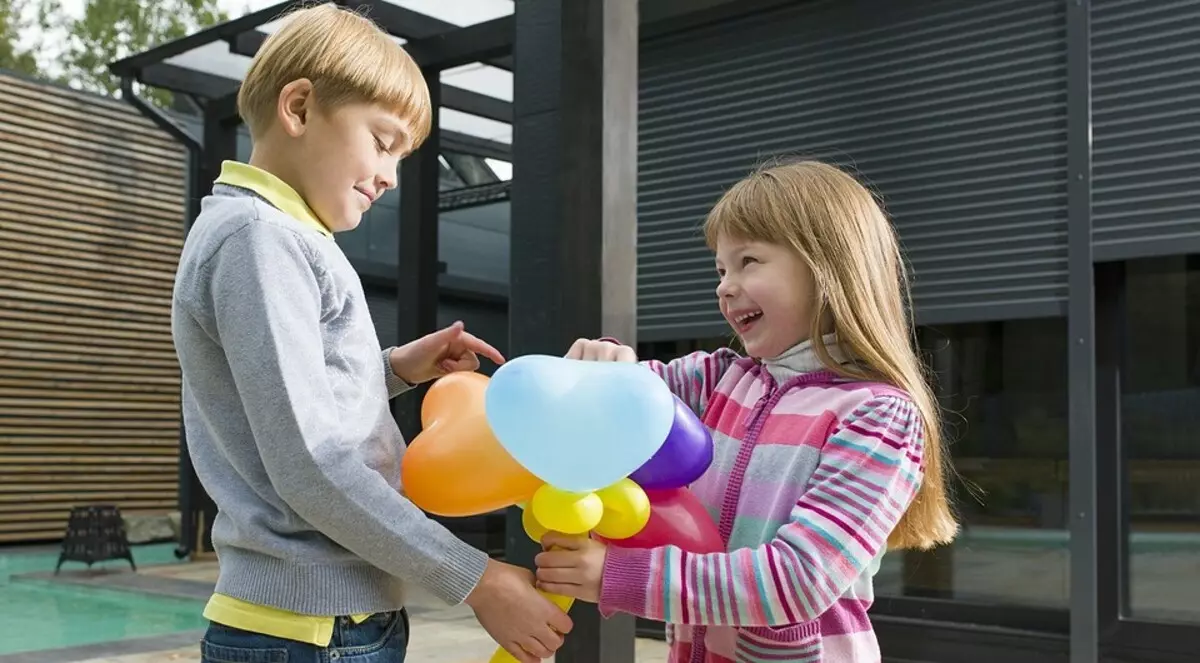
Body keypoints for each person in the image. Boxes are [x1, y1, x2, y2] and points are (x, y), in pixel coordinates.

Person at [170, 6, 571, 663]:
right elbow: (309, 463)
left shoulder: (280, 234)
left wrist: (394, 368)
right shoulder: (260, 238)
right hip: (307, 629)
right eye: (383, 141)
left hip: (331, 619)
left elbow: (278, 396)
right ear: (299, 106)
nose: (390, 174)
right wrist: (477, 575)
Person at [534, 160, 958, 662]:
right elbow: (622, 393)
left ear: (828, 264)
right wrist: (605, 358)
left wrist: (617, 574)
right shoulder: (716, 379)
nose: (724, 286)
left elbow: (800, 579)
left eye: (748, 261)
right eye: (720, 268)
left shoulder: (878, 416)